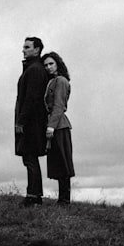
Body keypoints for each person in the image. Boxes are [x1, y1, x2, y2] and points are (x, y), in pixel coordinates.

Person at [15, 36, 49, 206]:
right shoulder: (32, 68)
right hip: (32, 121)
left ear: (37, 50)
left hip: (31, 122)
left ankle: (33, 196)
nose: (23, 49)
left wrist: (21, 121)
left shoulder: (34, 69)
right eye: (24, 46)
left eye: (27, 47)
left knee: (30, 158)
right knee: (30, 158)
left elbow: (31, 98)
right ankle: (35, 195)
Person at [42, 51, 75, 205]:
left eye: (51, 64)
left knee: (63, 162)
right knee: (58, 162)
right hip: (55, 124)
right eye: (46, 65)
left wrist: (51, 127)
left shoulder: (60, 81)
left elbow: (58, 106)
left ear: (58, 64)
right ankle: (62, 199)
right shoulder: (52, 81)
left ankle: (64, 199)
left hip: (59, 125)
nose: (48, 67)